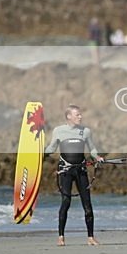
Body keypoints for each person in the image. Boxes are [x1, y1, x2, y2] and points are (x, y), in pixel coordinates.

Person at [45, 105, 104, 246]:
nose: (80, 117)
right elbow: (51, 148)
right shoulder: (59, 131)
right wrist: (39, 154)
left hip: (81, 170)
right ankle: (61, 237)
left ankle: (90, 237)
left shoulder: (85, 131)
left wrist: (97, 157)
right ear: (68, 117)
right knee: (66, 202)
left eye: (80, 114)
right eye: (77, 114)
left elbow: (92, 148)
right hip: (65, 170)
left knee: (87, 205)